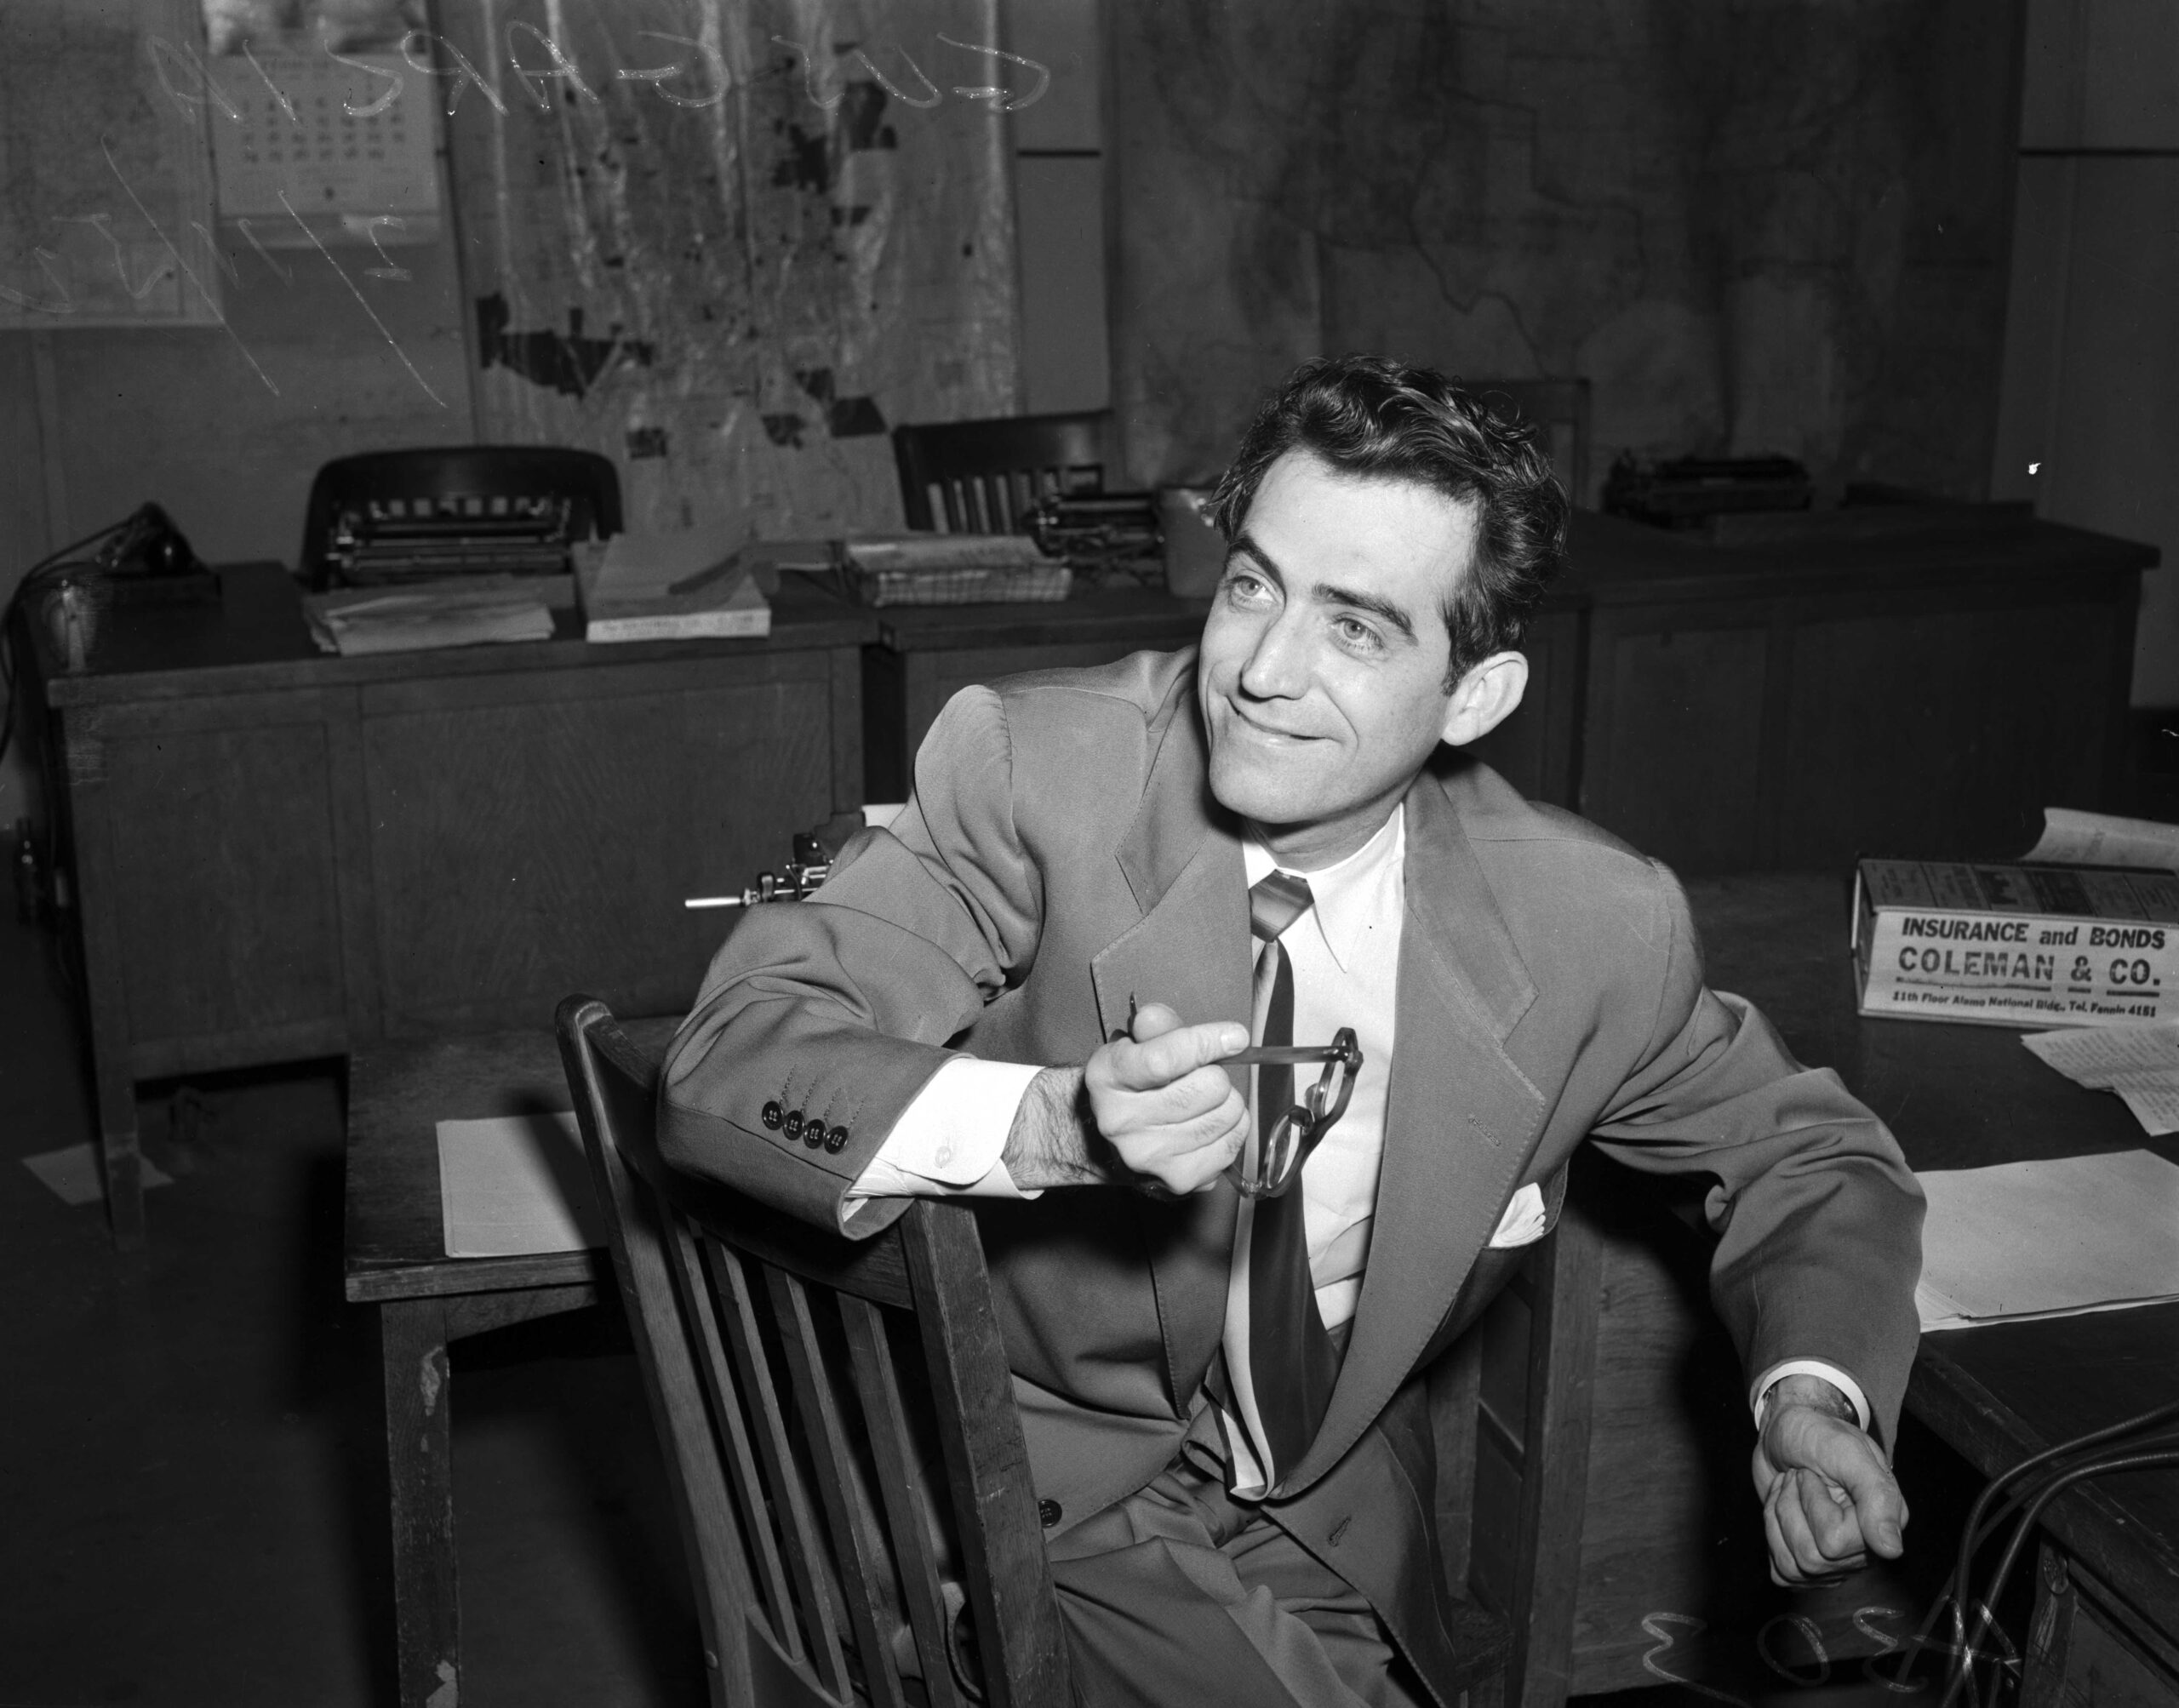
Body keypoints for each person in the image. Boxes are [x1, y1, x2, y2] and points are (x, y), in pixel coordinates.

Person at [661, 355, 1924, 1708]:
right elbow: (733, 1054)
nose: (1261, 670)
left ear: (1475, 697)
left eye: (1358, 627)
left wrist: (1810, 1394)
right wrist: (1051, 1124)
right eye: (1253, 584)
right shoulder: (1042, 772)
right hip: (1016, 1472)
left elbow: (1811, 1155)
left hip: (1319, 1494)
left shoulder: (1590, 928)